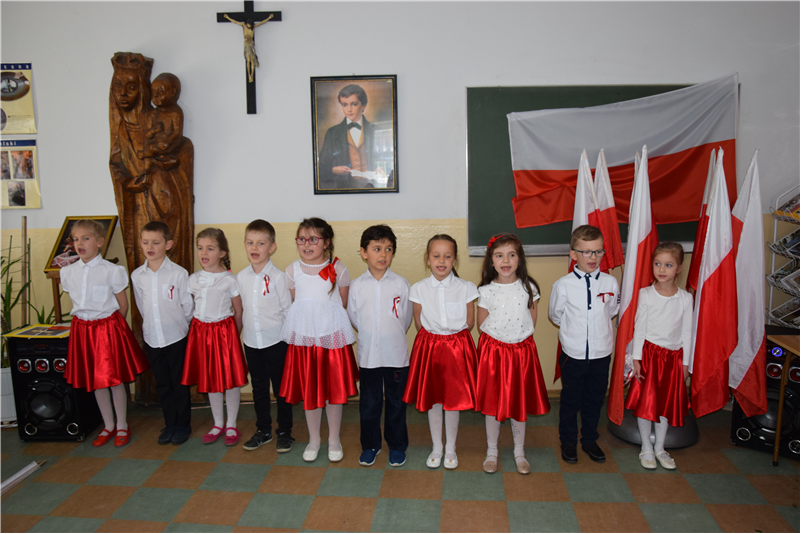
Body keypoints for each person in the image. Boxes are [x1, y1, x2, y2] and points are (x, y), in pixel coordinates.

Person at [61, 219, 149, 447]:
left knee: (114, 379)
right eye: (76, 239)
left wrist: (111, 330)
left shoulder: (112, 271)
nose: (80, 243)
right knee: (96, 381)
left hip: (107, 330)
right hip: (82, 330)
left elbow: (122, 304)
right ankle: (108, 425)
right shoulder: (68, 272)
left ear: (99, 242)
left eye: (86, 238)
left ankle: (122, 424)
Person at [280, 218, 358, 463]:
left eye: (313, 239)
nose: (307, 244)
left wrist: (326, 329)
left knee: (333, 391)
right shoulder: (292, 270)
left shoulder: (339, 269)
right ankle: (314, 440)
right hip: (305, 341)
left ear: (326, 243)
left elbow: (342, 302)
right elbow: (298, 303)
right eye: (302, 239)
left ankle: (334, 440)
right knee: (310, 391)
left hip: (330, 339)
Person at [476, 233, 550, 475]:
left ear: (520, 259)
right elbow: (481, 325)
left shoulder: (529, 288)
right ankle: (492, 451)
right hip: (494, 354)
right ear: (491, 260)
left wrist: (517, 343)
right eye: (499, 255)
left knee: (519, 402)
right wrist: (498, 345)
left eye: (511, 255)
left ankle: (519, 451)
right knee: (492, 404)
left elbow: (532, 321)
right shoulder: (486, 290)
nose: (505, 260)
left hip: (521, 354)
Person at [403, 234, 479, 470]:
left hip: (457, 348)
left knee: (453, 401)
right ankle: (437, 447)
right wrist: (435, 340)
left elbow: (469, 321)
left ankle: (451, 448)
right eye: (436, 256)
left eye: (447, 256)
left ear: (455, 260)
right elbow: (419, 322)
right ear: (428, 259)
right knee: (434, 400)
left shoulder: (466, 288)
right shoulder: (418, 288)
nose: (442, 261)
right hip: (430, 348)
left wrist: (453, 339)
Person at [549, 225, 620, 464]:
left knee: (594, 400)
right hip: (574, 355)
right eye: (586, 252)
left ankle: (589, 440)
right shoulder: (563, 285)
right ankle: (568, 441)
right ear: (573, 254)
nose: (593, 257)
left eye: (598, 251)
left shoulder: (610, 283)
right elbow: (556, 315)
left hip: (601, 355)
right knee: (570, 401)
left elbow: (612, 310)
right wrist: (575, 336)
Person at [348, 225, 412, 467]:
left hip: (396, 356)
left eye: (388, 249)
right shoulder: (357, 286)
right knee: (369, 404)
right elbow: (354, 318)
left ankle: (397, 445)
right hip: (369, 357)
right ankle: (370, 445)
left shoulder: (401, 284)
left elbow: (405, 318)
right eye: (376, 249)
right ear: (364, 253)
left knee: (397, 404)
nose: (383, 254)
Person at [625, 242, 692, 470]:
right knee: (647, 403)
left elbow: (687, 332)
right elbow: (640, 328)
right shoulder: (646, 294)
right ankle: (646, 447)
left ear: (679, 268)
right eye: (657, 264)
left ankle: (660, 448)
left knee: (665, 404)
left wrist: (686, 363)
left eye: (668, 265)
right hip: (650, 358)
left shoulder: (685, 299)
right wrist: (636, 359)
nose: (662, 269)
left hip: (673, 360)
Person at [181, 228, 249, 446]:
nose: (204, 253)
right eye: (200, 248)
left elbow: (239, 311)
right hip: (201, 334)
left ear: (222, 253)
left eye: (210, 248)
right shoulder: (193, 279)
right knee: (210, 378)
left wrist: (233, 335)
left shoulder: (230, 280)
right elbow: (190, 308)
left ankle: (231, 424)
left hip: (224, 334)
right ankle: (218, 423)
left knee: (230, 380)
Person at [131, 221, 194, 445]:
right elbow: (141, 305)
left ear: (168, 244)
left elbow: (187, 307)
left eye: (156, 242)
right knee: (163, 384)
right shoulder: (137, 276)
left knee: (179, 383)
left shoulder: (178, 274)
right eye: (145, 242)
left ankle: (183, 425)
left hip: (176, 337)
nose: (150, 247)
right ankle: (170, 424)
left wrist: (180, 327)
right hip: (153, 339)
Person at [236, 220, 294, 453]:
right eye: (250, 242)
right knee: (259, 388)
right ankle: (263, 430)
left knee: (281, 389)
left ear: (272, 247)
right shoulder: (241, 277)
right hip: (252, 342)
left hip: (276, 342)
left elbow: (288, 311)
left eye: (261, 243)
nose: (254, 247)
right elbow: (241, 310)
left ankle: (285, 432)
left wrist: (288, 342)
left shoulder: (279, 278)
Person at [317, 84, 378, 190]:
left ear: (363, 105)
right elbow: (321, 168)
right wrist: (334, 170)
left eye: (354, 104)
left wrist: (381, 169)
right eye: (344, 105)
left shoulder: (376, 130)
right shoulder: (332, 133)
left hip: (374, 189)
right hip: (344, 190)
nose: (349, 109)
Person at [138, 73, 184, 170]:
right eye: (153, 92)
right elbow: (147, 135)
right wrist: (153, 130)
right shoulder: (153, 114)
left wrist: (168, 142)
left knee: (157, 150)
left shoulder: (176, 113)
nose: (155, 96)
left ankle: (153, 156)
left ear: (173, 92)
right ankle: (152, 159)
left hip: (169, 143)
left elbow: (177, 133)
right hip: (156, 143)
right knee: (147, 147)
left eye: (160, 92)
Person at [223, 14, 274, 83]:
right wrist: (228, 17)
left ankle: (252, 75)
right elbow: (235, 22)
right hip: (246, 45)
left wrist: (269, 18)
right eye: (248, 25)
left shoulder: (253, 27)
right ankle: (249, 75)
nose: (249, 27)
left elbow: (261, 22)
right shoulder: (243, 26)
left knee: (252, 60)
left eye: (250, 26)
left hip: (251, 45)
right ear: (246, 23)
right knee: (248, 60)